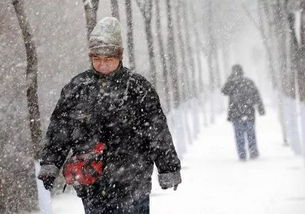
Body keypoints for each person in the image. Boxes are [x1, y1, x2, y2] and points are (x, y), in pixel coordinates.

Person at [38, 17, 181, 214]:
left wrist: (168, 167)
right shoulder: (77, 88)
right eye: (97, 59)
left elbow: (157, 131)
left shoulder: (138, 88)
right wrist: (50, 164)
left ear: (120, 56)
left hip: (133, 181)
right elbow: (59, 129)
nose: (103, 65)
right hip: (92, 183)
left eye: (109, 59)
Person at [222, 64, 265, 161]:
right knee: (251, 134)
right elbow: (256, 95)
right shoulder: (249, 82)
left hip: (236, 114)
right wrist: (260, 108)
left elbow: (224, 91)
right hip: (249, 112)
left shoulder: (231, 83)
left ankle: (242, 154)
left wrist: (230, 79)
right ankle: (253, 152)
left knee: (239, 135)